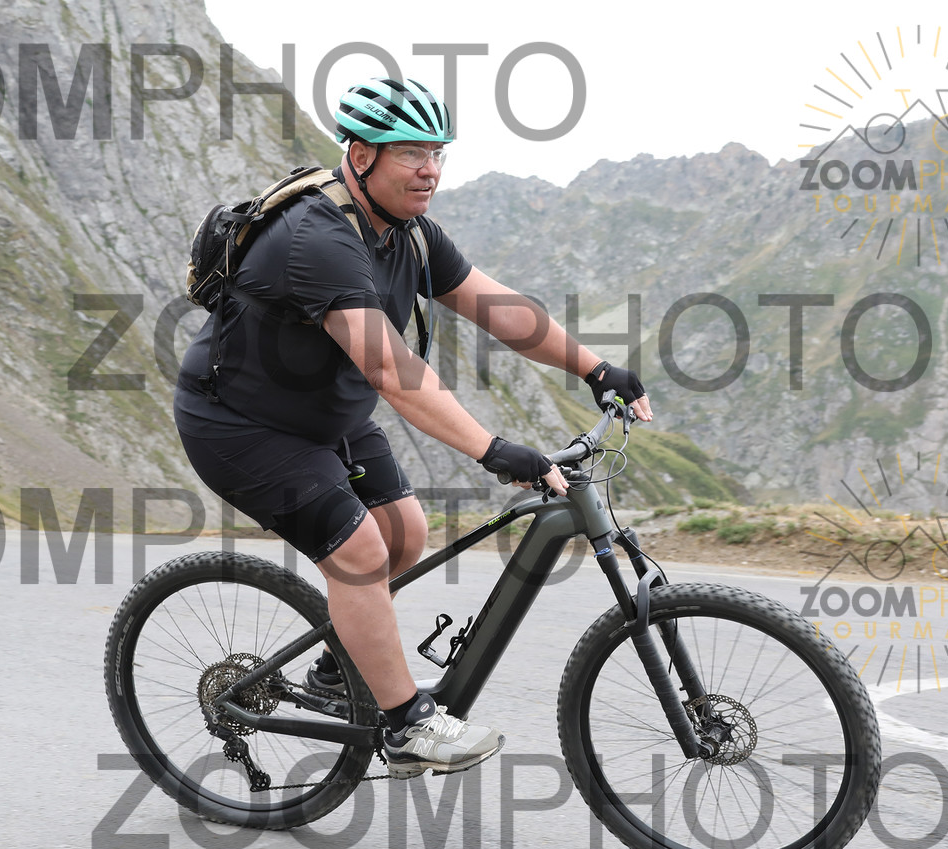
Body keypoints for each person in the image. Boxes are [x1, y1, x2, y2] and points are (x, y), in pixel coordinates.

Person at [173, 76, 652, 779]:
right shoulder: (317, 236)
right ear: (361, 155)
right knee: (360, 552)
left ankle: (337, 673)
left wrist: (594, 366)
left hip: (327, 414)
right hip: (239, 426)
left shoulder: (411, 235)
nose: (430, 170)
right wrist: (494, 449)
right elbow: (392, 371)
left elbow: (500, 308)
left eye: (437, 153)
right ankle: (403, 727)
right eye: (412, 153)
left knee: (405, 533)